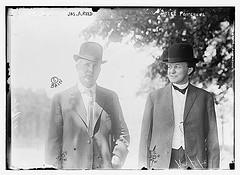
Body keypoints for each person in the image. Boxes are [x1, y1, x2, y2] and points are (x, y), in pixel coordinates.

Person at [45, 41, 130, 169]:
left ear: (100, 70)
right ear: (77, 67)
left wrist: (118, 155)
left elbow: (123, 134)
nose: (90, 70)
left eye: (95, 66)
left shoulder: (111, 97)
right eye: (86, 65)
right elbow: (53, 142)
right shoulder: (60, 99)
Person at [138, 43, 220, 169]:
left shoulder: (205, 98)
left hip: (195, 163)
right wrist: (143, 167)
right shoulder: (154, 97)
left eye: (177, 67)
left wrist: (213, 169)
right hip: (162, 162)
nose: (171, 71)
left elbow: (212, 141)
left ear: (189, 70)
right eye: (170, 67)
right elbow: (145, 137)